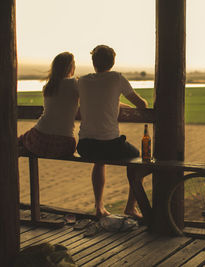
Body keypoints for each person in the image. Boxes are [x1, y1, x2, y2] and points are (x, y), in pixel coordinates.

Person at [77, 45, 148, 218]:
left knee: (99, 161)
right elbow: (142, 105)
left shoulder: (83, 81)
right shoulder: (117, 78)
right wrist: (125, 106)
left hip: (85, 146)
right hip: (110, 145)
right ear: (113, 62)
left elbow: (96, 102)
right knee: (137, 158)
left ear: (93, 62)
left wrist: (115, 104)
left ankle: (99, 206)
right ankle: (131, 207)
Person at [19, 52, 78, 158]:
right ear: (71, 67)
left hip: (39, 140)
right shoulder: (74, 84)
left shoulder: (48, 86)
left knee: (24, 137)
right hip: (64, 145)